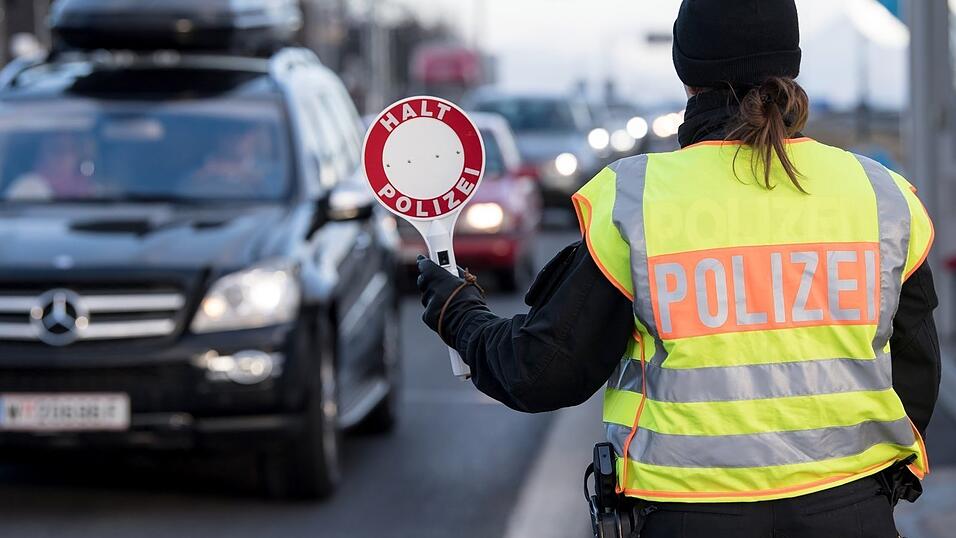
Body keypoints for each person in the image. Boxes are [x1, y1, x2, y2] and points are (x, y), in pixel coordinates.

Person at [415, 1, 940, 537]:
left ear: (687, 76)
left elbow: (541, 371)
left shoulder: (636, 201)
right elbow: (917, 374)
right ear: (791, 68)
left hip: (689, 520)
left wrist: (460, 314)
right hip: (852, 516)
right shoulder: (882, 196)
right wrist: (872, 490)